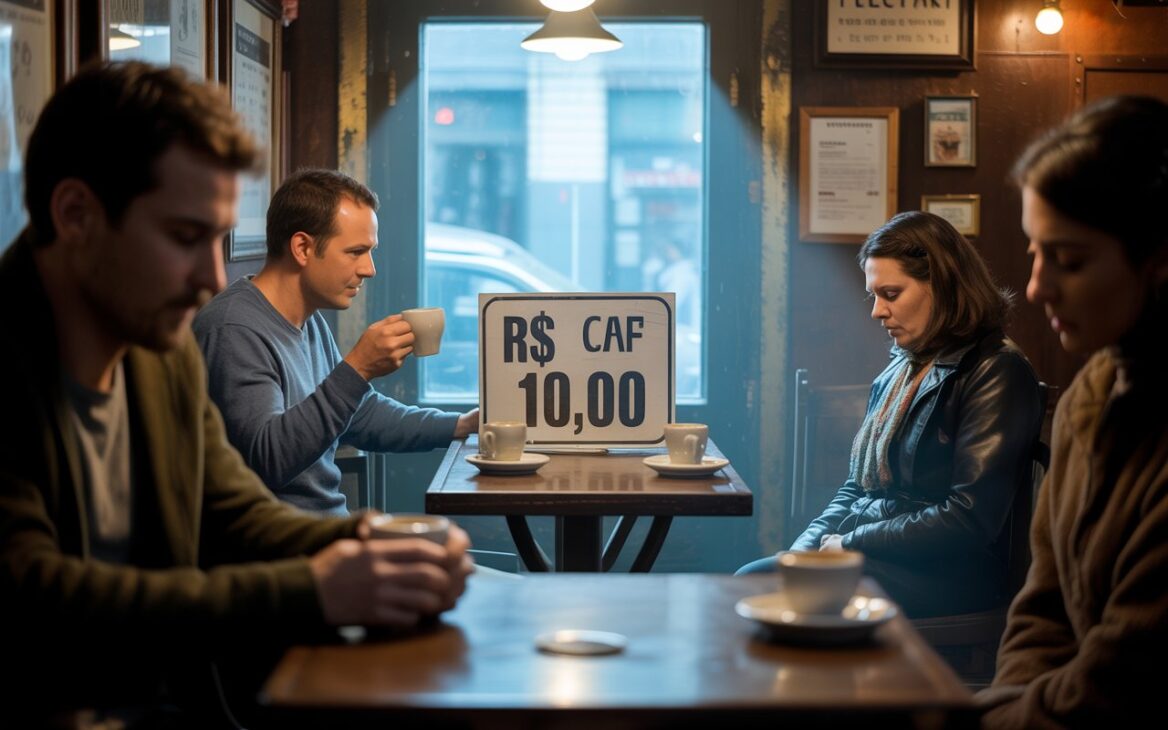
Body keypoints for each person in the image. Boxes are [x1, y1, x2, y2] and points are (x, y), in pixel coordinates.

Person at [0, 61, 473, 727]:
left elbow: (238, 509)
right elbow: (34, 594)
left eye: (218, 240)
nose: (211, 277)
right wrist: (312, 587)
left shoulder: (157, 353)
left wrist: (377, 539)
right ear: (76, 214)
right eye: (184, 238)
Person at [738, 211, 1043, 619]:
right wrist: (805, 547)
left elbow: (968, 518)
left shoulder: (996, 369)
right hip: (883, 554)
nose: (877, 311)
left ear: (944, 285)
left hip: (950, 573)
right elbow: (856, 487)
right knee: (749, 582)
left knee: (790, 597)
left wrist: (850, 544)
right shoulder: (905, 365)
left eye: (891, 294)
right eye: (873, 296)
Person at [977, 96, 1168, 727]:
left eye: (1071, 259)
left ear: (1159, 259)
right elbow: (1044, 606)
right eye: (1035, 251)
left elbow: (1116, 688)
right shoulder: (1095, 387)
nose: (1035, 287)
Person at [193, 168, 478, 516]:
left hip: (330, 533)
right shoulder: (233, 329)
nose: (369, 269)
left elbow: (358, 415)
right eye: (356, 252)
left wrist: (460, 425)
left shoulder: (306, 318)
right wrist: (357, 369)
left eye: (370, 252)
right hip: (285, 554)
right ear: (302, 247)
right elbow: (269, 459)